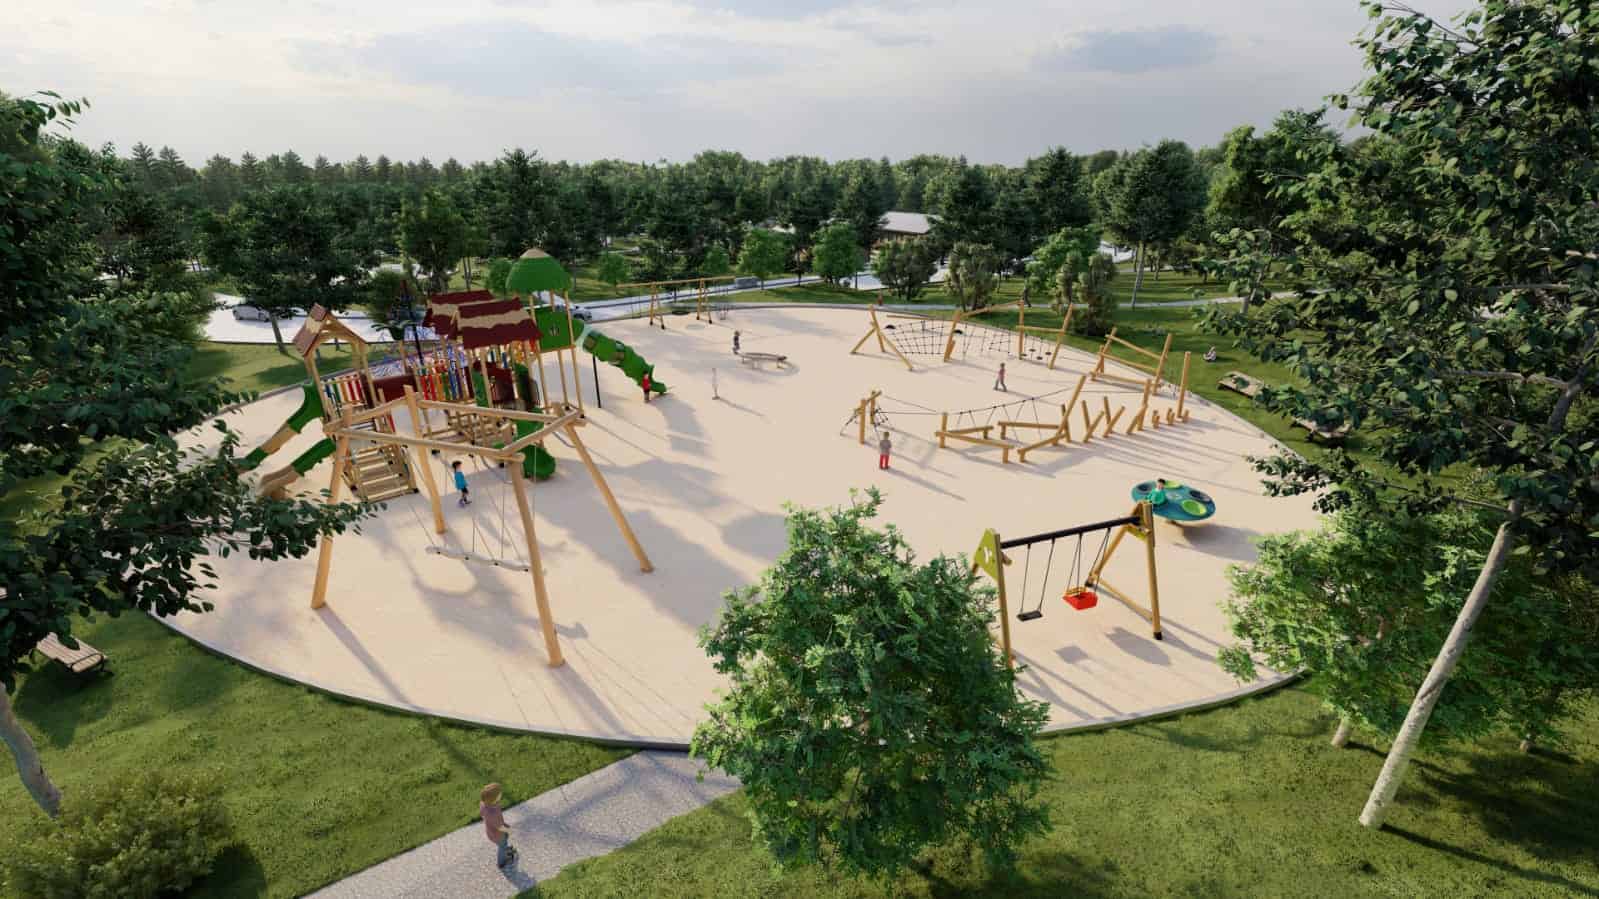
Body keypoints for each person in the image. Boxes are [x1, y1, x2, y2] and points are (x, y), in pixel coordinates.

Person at [479, 783, 517, 869]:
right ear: (494, 798)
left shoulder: (483, 804)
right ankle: (501, 862)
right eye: (500, 794)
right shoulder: (493, 813)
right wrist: (509, 830)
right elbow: (500, 827)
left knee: (503, 844)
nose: (501, 794)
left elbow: (482, 814)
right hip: (498, 835)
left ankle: (506, 849)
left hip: (491, 831)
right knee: (502, 846)